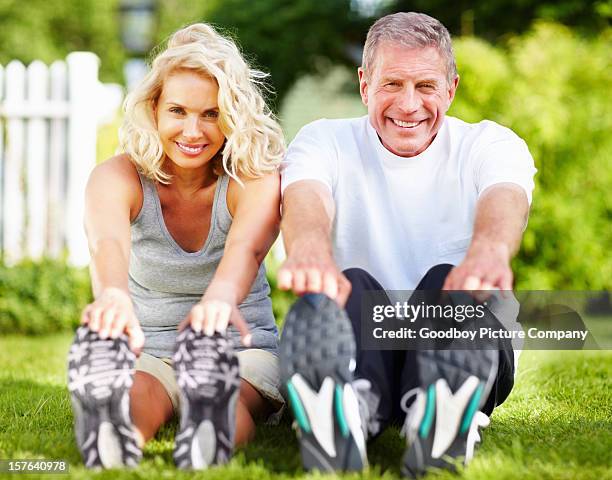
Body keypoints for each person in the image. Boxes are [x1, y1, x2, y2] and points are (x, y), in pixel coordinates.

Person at [277, 11, 536, 477]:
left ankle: (442, 407)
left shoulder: (491, 145)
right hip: (364, 340)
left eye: (426, 86)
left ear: (451, 89)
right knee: (351, 283)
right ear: (364, 85)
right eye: (392, 84)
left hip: (463, 338)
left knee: (447, 281)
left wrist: (490, 249)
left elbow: (506, 197)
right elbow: (306, 198)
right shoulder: (322, 141)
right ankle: (346, 412)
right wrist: (308, 247)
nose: (409, 104)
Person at [66, 23, 285, 470]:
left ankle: (209, 414)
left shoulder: (254, 179)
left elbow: (247, 248)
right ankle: (115, 431)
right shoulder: (117, 177)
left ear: (233, 116)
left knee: (226, 395)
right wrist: (112, 294)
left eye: (211, 113)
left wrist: (220, 300)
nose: (193, 130)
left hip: (238, 350)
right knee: (138, 396)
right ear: (154, 109)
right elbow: (107, 242)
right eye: (178, 111)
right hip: (148, 346)